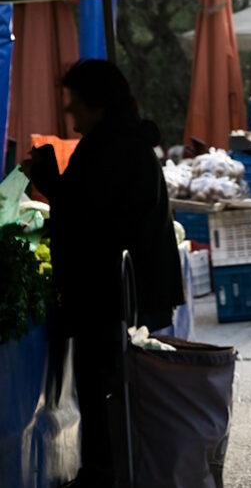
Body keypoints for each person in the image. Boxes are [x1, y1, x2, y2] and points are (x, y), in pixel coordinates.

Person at [23, 60, 184, 488]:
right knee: (102, 384)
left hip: (108, 291)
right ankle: (105, 471)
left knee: (102, 385)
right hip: (112, 288)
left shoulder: (114, 147)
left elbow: (88, 214)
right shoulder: (121, 142)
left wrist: (47, 178)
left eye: (75, 103)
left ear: (97, 104)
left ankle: (103, 474)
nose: (70, 112)